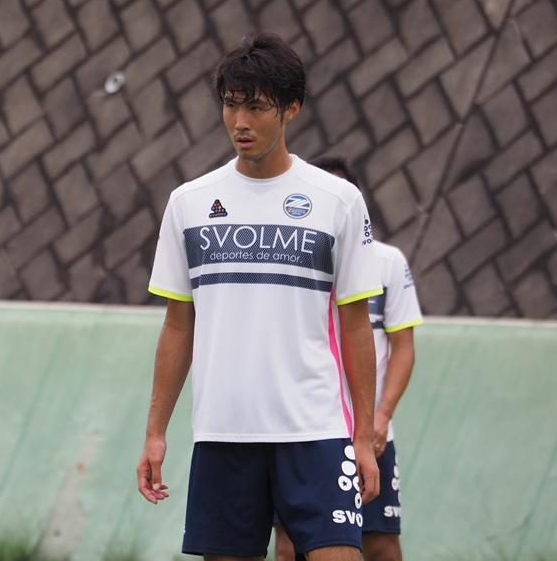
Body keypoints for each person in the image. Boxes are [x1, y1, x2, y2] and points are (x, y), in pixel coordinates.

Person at [136, 31, 383, 561]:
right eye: (231, 105)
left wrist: (363, 436)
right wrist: (156, 432)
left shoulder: (338, 201)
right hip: (223, 433)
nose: (240, 122)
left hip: (316, 432)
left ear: (291, 108)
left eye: (256, 107)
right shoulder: (188, 203)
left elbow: (356, 323)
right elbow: (178, 324)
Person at [272, 156, 423, 561]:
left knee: (380, 546)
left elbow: (404, 347)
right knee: (288, 547)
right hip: (301, 430)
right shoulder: (284, 256)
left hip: (367, 433)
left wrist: (380, 415)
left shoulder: (387, 263)